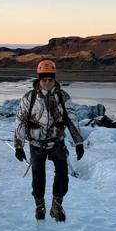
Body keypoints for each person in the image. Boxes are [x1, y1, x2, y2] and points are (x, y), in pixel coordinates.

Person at [14, 59, 84, 221]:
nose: (47, 83)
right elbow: (21, 121)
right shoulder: (29, 98)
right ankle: (40, 206)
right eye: (44, 80)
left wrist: (79, 143)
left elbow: (72, 120)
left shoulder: (63, 97)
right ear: (39, 79)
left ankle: (56, 206)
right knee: (38, 177)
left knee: (62, 174)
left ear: (54, 79)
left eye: (50, 80)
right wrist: (19, 145)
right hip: (36, 143)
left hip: (57, 142)